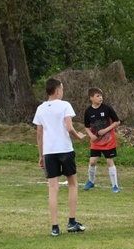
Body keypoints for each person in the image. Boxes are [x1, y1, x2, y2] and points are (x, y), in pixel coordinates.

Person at [33, 77, 87, 236]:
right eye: (62, 89)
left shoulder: (41, 108)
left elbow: (39, 133)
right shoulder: (65, 105)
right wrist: (79, 137)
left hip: (49, 152)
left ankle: (55, 227)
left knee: (53, 188)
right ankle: (71, 222)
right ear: (57, 90)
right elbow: (69, 127)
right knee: (72, 184)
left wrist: (41, 155)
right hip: (64, 149)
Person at [83, 87, 121, 193]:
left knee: (109, 161)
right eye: (98, 96)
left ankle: (115, 185)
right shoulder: (88, 111)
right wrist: (91, 135)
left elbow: (117, 122)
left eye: (101, 96)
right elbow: (86, 126)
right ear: (91, 98)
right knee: (92, 162)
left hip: (108, 141)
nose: (100, 98)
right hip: (96, 142)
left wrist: (106, 130)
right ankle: (91, 181)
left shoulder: (107, 108)